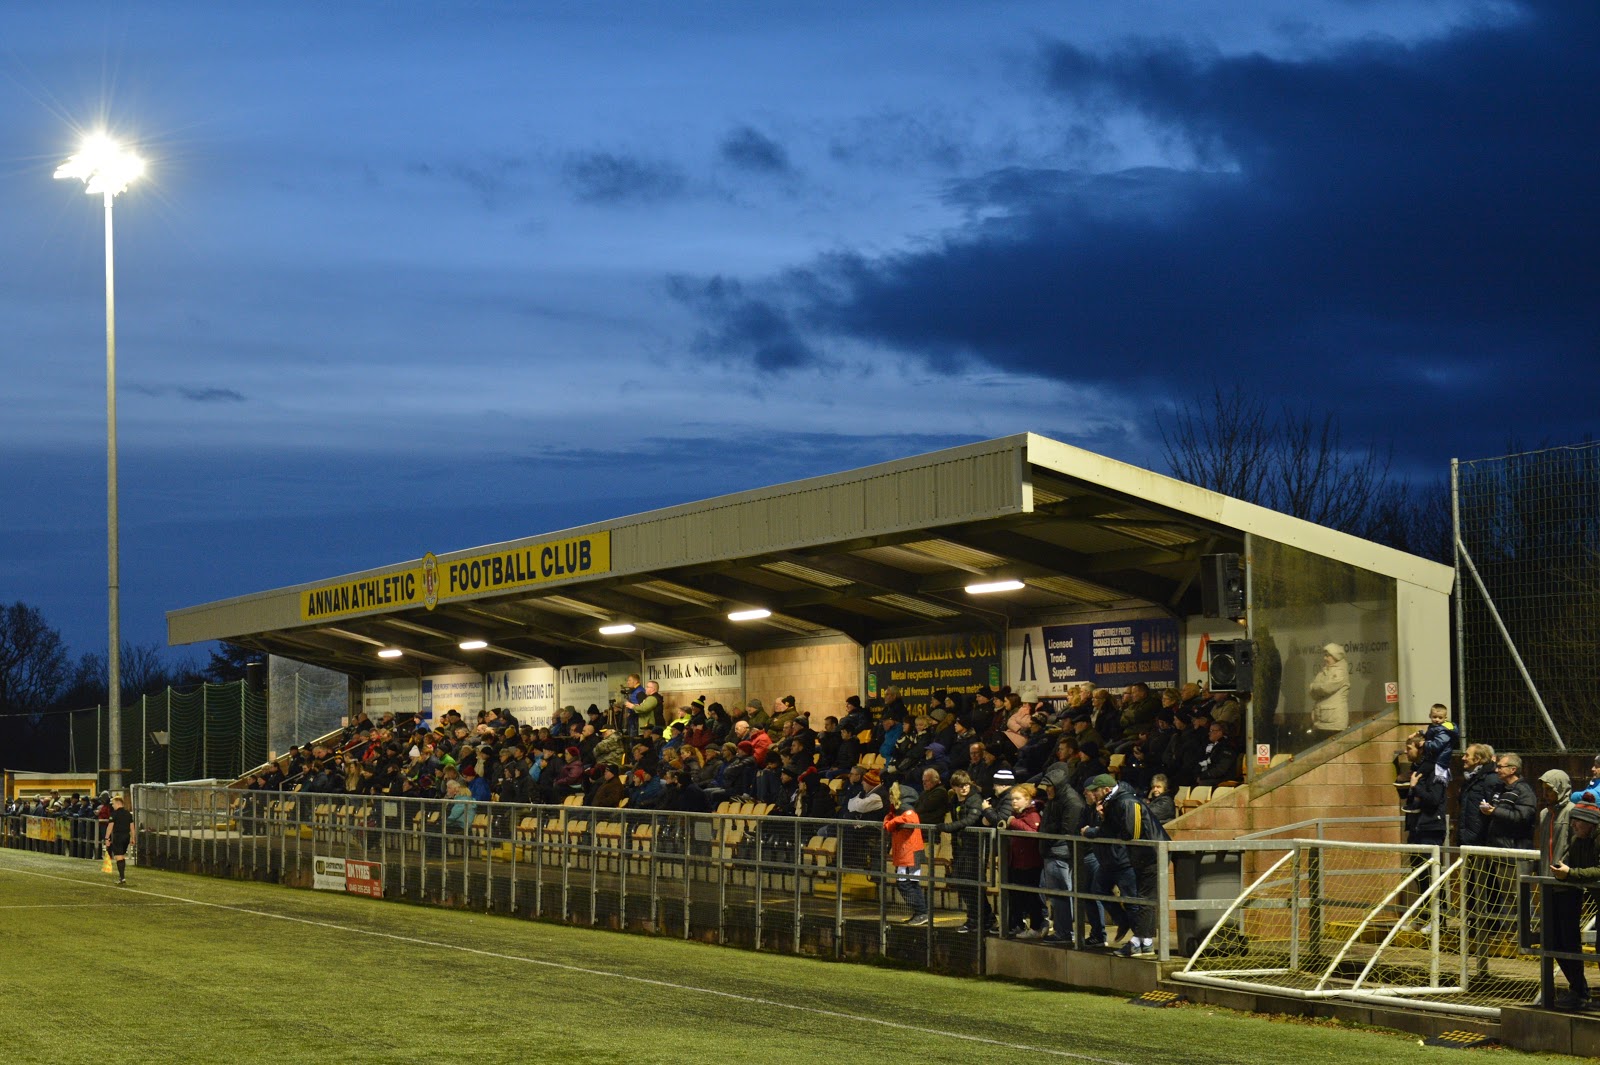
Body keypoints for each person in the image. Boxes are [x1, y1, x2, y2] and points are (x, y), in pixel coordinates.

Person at [1549, 792, 1600, 1011]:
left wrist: (1572, 873)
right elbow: (1571, 865)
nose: (1574, 825)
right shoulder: (1577, 840)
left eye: (1577, 821)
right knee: (1556, 940)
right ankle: (1579, 991)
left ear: (1589, 823)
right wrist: (1564, 871)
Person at [884, 783, 929, 926]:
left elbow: (910, 820)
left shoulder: (907, 810)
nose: (889, 798)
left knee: (905, 884)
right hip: (907, 853)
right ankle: (920, 913)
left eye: (892, 795)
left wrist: (892, 821)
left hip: (909, 853)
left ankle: (921, 913)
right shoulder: (899, 811)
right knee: (910, 884)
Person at [1308, 644, 1350, 732]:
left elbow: (1326, 688)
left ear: (1336, 656)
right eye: (1324, 655)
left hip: (1334, 724)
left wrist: (1315, 687)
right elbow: (1312, 693)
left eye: (1328, 656)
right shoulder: (1324, 671)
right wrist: (1316, 688)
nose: (1325, 658)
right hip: (1321, 722)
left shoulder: (1341, 671)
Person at [1421, 702, 1457, 784]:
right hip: (1433, 758)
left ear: (1445, 718)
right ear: (1430, 716)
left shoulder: (1444, 730)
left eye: (1440, 718)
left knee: (1429, 781)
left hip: (1439, 761)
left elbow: (1437, 745)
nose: (1437, 720)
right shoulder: (1435, 727)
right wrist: (1421, 733)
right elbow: (1431, 736)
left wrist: (1424, 744)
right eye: (1434, 717)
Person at [104, 794, 133, 885]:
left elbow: (110, 827)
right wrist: (133, 838)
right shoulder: (128, 813)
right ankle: (122, 877)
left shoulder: (114, 814)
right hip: (126, 837)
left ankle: (122, 878)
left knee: (118, 856)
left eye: (113, 804)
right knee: (121, 855)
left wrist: (107, 838)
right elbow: (132, 827)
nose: (112, 806)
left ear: (117, 803)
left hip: (118, 836)